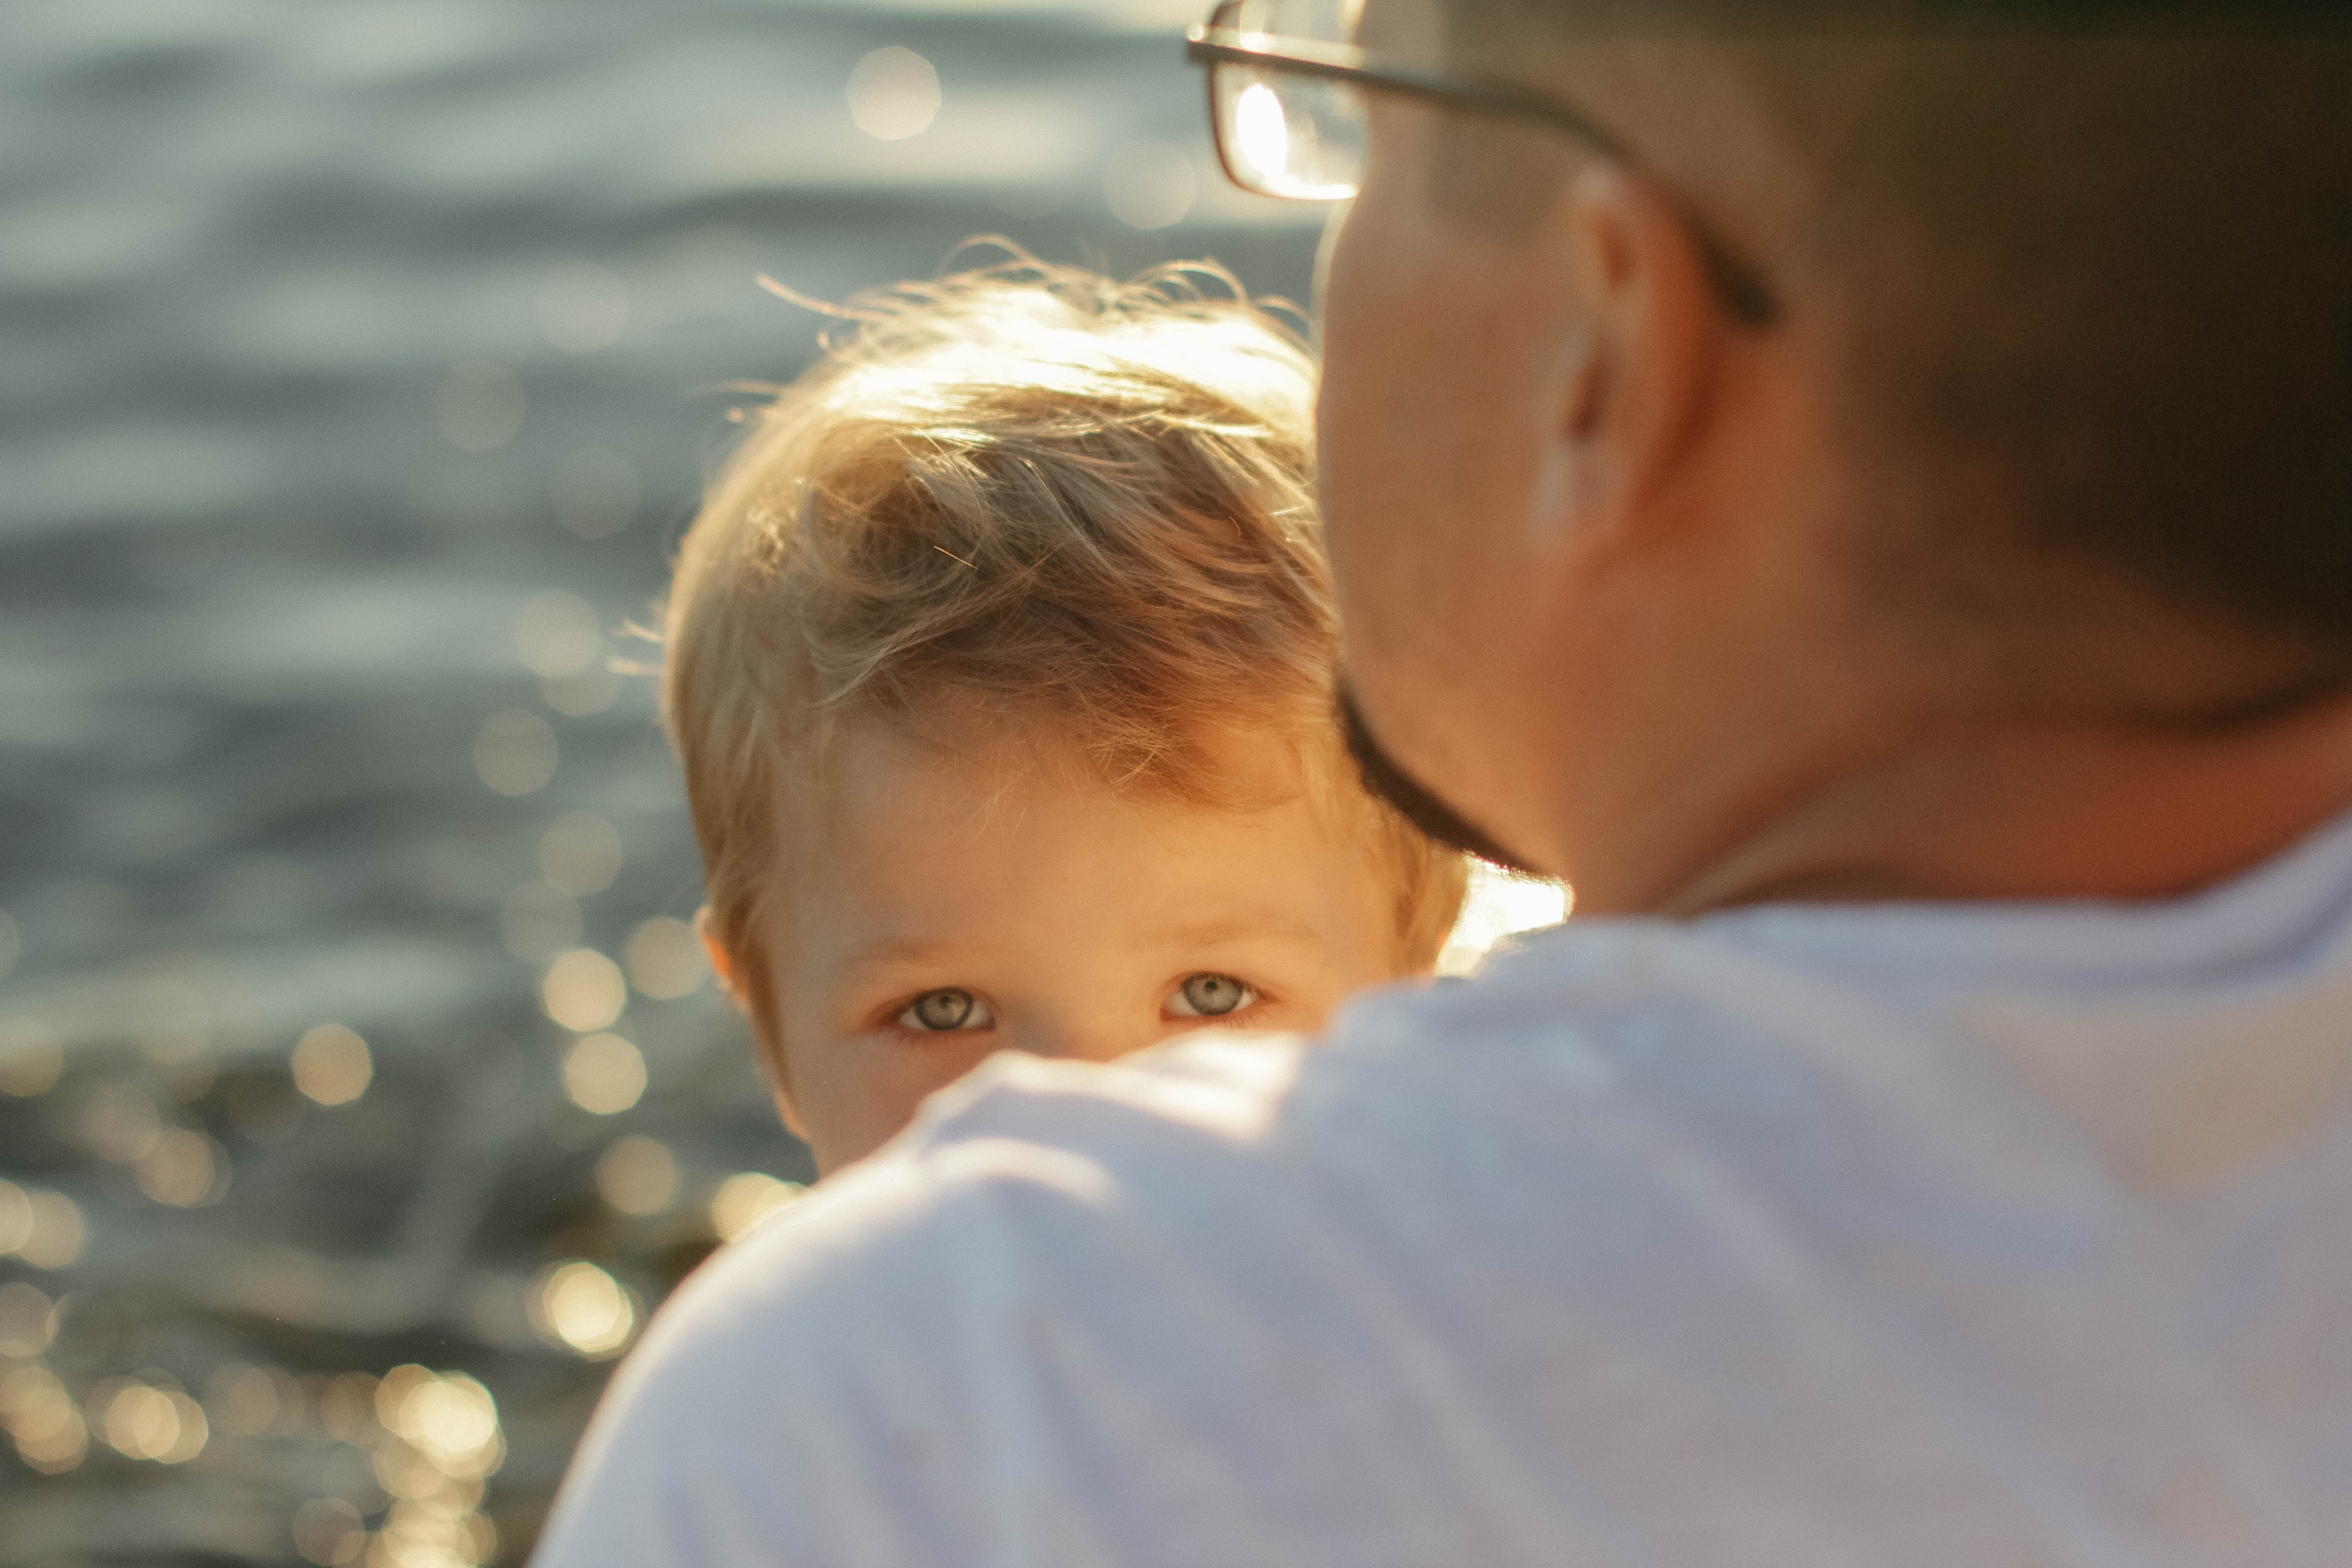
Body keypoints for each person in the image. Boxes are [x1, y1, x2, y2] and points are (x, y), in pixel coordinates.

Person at [535, 4, 2352, 1563]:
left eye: (1373, 128)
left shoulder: (912, 1425)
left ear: (1603, 338)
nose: (1070, 1094)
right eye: (939, 1007)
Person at [654, 256, 1465, 1177]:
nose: (1083, 1125)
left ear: (1411, 990)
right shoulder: (785, 1323)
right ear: (766, 1025)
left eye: (1210, 995)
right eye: (942, 1011)